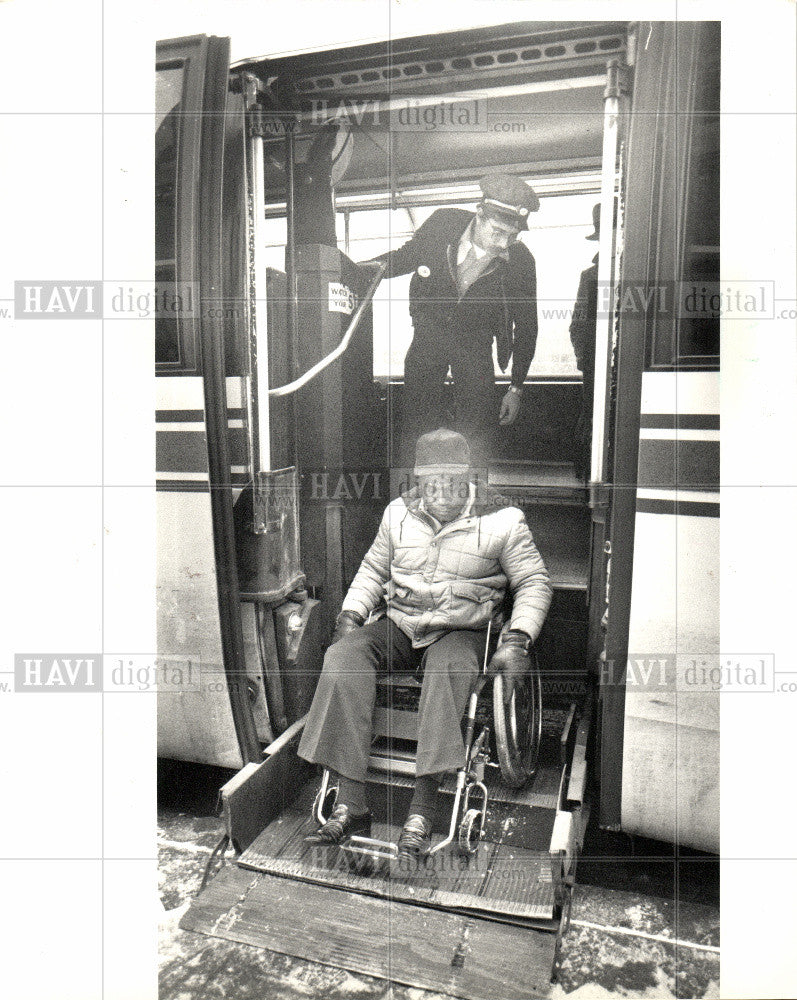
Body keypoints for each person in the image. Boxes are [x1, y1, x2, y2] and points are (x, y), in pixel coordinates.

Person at [298, 428, 552, 864]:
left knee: (448, 669)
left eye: (453, 483)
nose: (442, 494)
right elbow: (374, 570)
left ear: (469, 477)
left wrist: (517, 640)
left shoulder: (504, 520)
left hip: (461, 628)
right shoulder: (397, 513)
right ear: (418, 481)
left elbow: (533, 581)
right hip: (401, 622)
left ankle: (422, 810)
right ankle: (352, 805)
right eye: (432, 484)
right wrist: (350, 615)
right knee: (342, 658)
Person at [363, 174, 540, 469]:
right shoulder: (443, 223)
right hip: (427, 339)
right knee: (416, 426)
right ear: (479, 213)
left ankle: (473, 505)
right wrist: (358, 272)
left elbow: (527, 327)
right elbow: (405, 258)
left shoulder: (521, 261)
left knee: (476, 431)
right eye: (498, 232)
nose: (504, 243)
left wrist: (516, 388)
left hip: (475, 347)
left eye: (512, 235)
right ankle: (411, 500)